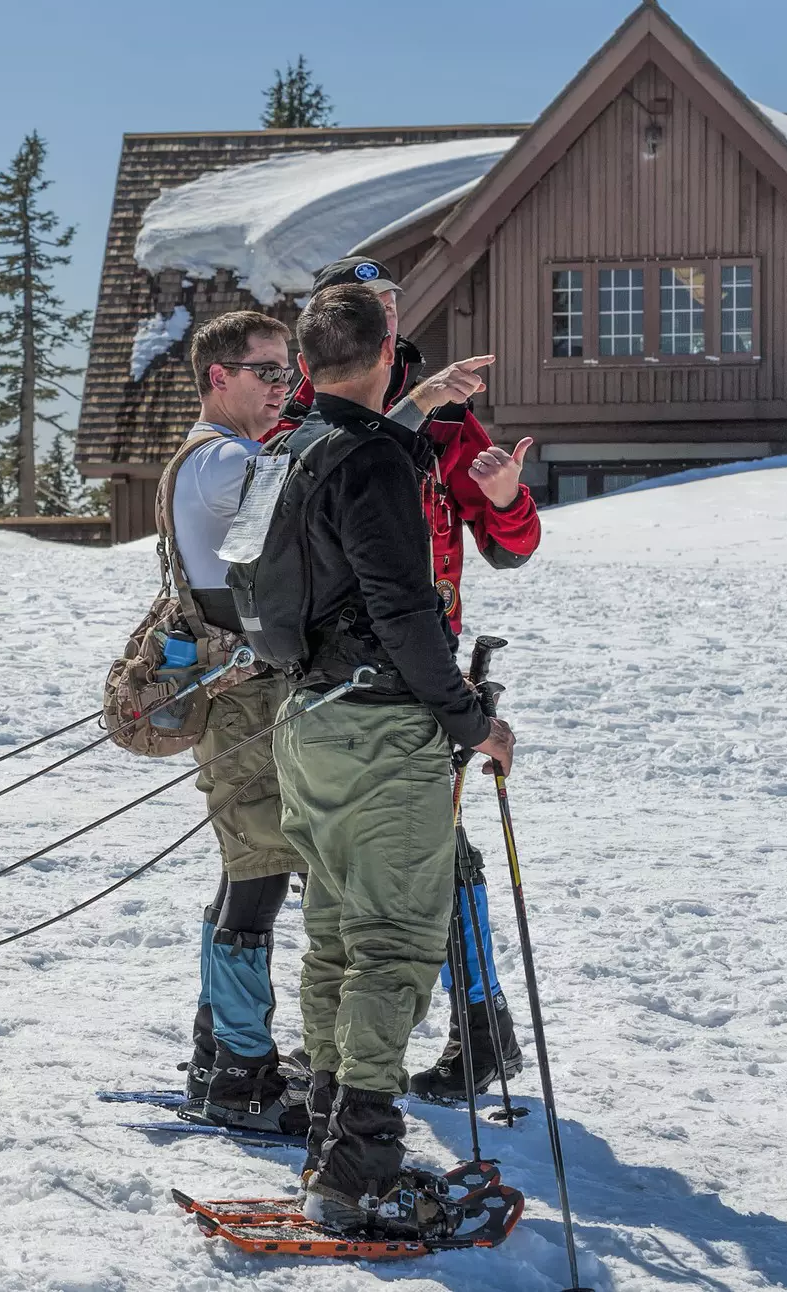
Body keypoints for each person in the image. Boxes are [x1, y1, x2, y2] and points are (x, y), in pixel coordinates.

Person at [261, 284, 515, 1234]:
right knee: (394, 943)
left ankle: (331, 1143)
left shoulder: (297, 447)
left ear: (304, 363)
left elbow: (368, 454)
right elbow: (405, 609)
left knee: (334, 935)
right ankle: (360, 1165)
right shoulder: (365, 463)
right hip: (378, 726)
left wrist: (416, 413)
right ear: (388, 348)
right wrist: (467, 720)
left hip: (305, 721)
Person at [297, 256, 543, 1103]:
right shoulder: (317, 408)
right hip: (337, 674)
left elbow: (509, 547)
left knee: (426, 859)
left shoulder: (448, 417)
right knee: (353, 884)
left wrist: (507, 499)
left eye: (394, 305)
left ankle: (470, 1029)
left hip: (423, 668)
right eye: (372, 308)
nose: (389, 320)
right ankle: (376, 1057)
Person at [164, 310, 308, 1134]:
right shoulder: (227, 460)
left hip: (238, 696)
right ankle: (240, 1077)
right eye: (268, 372)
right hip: (244, 700)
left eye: (287, 371)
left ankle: (221, 1050)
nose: (282, 386)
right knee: (256, 876)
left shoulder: (214, 455)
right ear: (219, 376)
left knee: (245, 872)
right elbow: (314, 485)